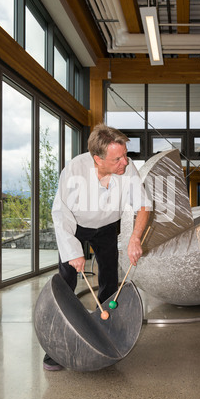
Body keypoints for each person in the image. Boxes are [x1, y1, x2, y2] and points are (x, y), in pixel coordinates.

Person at [43, 123, 152, 370]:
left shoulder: (128, 168)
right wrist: (73, 252)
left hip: (106, 227)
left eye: (125, 155)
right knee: (67, 279)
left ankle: (106, 335)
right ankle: (57, 346)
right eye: (117, 159)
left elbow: (143, 205)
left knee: (110, 281)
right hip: (77, 227)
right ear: (97, 159)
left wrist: (135, 237)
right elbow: (61, 214)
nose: (125, 162)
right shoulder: (74, 171)